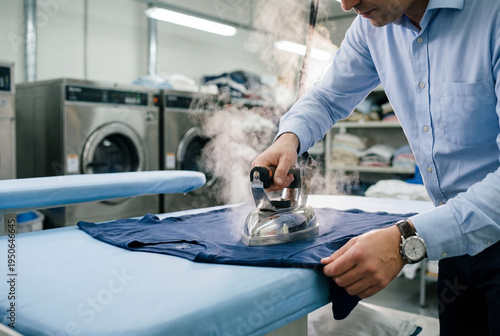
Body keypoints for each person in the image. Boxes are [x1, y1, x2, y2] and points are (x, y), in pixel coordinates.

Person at [252, 0, 500, 334]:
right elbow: (328, 97)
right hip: (454, 240)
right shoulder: (373, 29)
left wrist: (406, 240)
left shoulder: (491, 15)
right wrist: (289, 138)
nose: (347, 3)